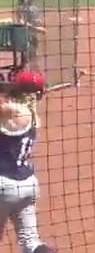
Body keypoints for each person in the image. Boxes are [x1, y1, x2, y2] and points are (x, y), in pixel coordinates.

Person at [0, 70, 55, 253]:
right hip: (27, 184)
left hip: (3, 184)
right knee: (31, 242)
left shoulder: (13, 112)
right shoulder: (33, 116)